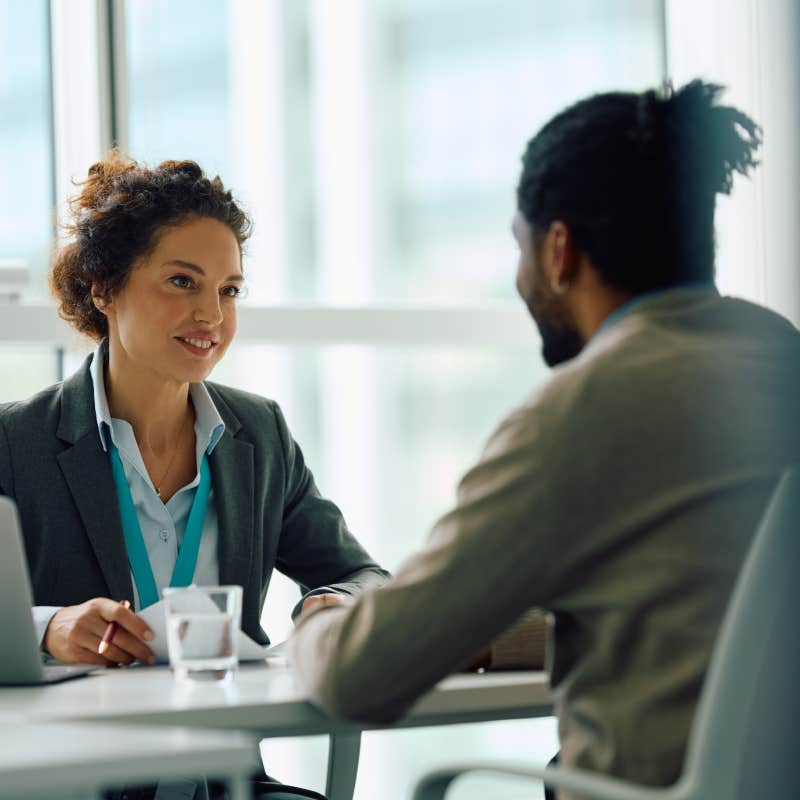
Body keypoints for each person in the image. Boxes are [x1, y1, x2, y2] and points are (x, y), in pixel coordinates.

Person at [289, 80, 800, 799]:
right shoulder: (779, 355)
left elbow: (358, 679)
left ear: (559, 251)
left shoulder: (584, 409)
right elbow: (701, 606)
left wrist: (319, 621)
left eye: (519, 247)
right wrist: (491, 631)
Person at [0, 152, 388, 800]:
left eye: (229, 289)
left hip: (229, 786)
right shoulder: (17, 442)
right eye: (183, 282)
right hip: (78, 788)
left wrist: (332, 604)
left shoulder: (258, 436)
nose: (212, 314)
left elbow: (361, 574)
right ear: (103, 286)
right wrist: (50, 629)